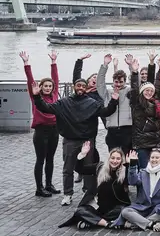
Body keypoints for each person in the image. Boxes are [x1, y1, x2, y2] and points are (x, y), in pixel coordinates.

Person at [32, 78, 119, 206]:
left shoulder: (92, 103)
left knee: (89, 168)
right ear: (74, 87)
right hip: (70, 140)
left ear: (86, 88)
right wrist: (37, 96)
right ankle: (68, 194)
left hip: (87, 140)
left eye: (83, 86)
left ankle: (89, 192)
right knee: (68, 168)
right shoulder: (64, 103)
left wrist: (114, 100)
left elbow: (106, 112)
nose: (80, 88)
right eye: (78, 85)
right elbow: (46, 108)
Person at [59, 141, 130, 229]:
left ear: (121, 160)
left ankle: (92, 222)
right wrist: (82, 154)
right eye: (113, 158)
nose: (115, 161)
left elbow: (132, 181)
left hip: (113, 208)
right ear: (109, 158)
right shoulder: (100, 167)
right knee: (80, 211)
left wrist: (130, 165)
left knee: (125, 211)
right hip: (97, 207)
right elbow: (80, 169)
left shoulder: (124, 172)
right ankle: (106, 223)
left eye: (118, 159)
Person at [20, 50, 60, 197]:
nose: (48, 88)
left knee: (50, 159)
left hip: (54, 131)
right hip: (41, 132)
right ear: (41, 87)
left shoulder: (55, 96)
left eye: (50, 86)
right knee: (40, 160)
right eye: (46, 86)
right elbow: (30, 80)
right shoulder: (35, 96)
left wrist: (54, 62)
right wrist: (26, 63)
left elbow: (56, 78)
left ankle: (49, 184)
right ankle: (39, 188)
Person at [114, 149, 160, 231]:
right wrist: (132, 165)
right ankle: (151, 224)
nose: (154, 160)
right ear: (149, 159)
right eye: (152, 157)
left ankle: (136, 222)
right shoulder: (143, 172)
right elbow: (132, 181)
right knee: (125, 211)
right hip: (143, 207)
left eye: (157, 158)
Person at [129, 59, 160, 168]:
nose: (149, 93)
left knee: (156, 168)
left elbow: (155, 82)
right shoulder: (137, 103)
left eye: (151, 91)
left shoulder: (156, 103)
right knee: (144, 170)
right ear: (142, 91)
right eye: (146, 90)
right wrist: (135, 73)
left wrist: (153, 64)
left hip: (155, 141)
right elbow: (134, 88)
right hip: (142, 143)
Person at [97, 54, 132, 154]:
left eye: (121, 82)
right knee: (113, 159)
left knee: (126, 160)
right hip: (112, 130)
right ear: (113, 81)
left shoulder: (129, 91)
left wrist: (131, 67)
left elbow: (136, 83)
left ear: (125, 82)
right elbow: (99, 84)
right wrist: (105, 65)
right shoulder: (107, 93)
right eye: (116, 82)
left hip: (127, 129)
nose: (118, 84)